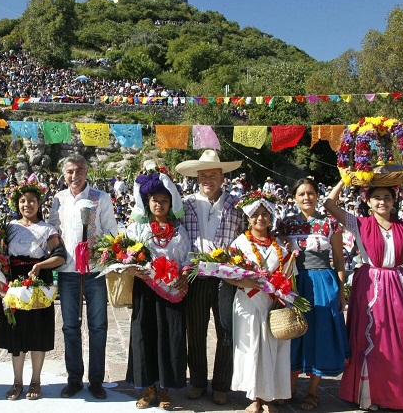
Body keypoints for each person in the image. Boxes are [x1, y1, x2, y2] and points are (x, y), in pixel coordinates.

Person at [324, 181, 403, 411]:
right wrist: (344, 179)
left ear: (394, 200)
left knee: (397, 340)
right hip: (372, 286)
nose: (382, 201)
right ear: (367, 202)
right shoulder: (359, 224)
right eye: (377, 197)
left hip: (397, 285)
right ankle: (370, 396)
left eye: (387, 197)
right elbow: (330, 204)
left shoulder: (401, 227)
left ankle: (395, 393)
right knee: (373, 339)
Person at [175, 149, 243, 405]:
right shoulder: (187, 203)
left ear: (222, 176)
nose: (207, 180)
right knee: (196, 330)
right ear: (197, 177)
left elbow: (247, 236)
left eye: (212, 175)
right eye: (203, 175)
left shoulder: (237, 204)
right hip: (197, 273)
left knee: (226, 329)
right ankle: (198, 381)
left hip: (226, 276)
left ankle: (222, 384)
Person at [47, 154, 118, 399]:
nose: (74, 176)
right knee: (70, 327)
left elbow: (111, 231)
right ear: (63, 174)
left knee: (98, 326)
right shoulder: (59, 199)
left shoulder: (100, 197)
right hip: (68, 272)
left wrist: (97, 249)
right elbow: (52, 229)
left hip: (95, 270)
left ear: (86, 171)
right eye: (70, 171)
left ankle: (96, 381)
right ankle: (74, 378)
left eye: (79, 170)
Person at [0, 183, 66, 401]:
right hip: (13, 283)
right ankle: (17, 381)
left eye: (31, 200)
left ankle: (36, 381)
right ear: (17, 204)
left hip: (37, 282)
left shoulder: (47, 229)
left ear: (39, 203)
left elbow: (60, 256)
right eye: (23, 201)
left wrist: (41, 265)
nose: (27, 204)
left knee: (37, 332)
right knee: (16, 333)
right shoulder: (8, 228)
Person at [279, 178, 349, 410]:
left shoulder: (330, 223)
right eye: (301, 194)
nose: (307, 197)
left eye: (311, 193)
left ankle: (312, 391)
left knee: (319, 334)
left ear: (318, 195)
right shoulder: (286, 224)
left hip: (322, 282)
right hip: (296, 283)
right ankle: (289, 388)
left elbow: (339, 260)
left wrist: (340, 291)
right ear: (294, 198)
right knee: (294, 333)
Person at [124, 168, 190, 410]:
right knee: (145, 336)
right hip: (146, 290)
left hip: (172, 291)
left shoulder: (180, 230)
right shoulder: (139, 229)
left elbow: (187, 257)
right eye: (155, 201)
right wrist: (131, 267)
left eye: (164, 201)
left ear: (171, 202)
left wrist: (183, 273)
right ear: (147, 203)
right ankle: (148, 389)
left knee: (170, 337)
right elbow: (126, 254)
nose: (159, 205)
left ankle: (165, 390)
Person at [228, 192, 292, 412]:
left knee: (273, 348)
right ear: (249, 218)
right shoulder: (239, 243)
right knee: (251, 346)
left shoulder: (280, 247)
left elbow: (288, 274)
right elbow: (229, 274)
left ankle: (269, 396)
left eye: (265, 214)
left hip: (273, 303)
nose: (260, 219)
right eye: (256, 215)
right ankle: (253, 397)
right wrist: (246, 282)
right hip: (248, 301)